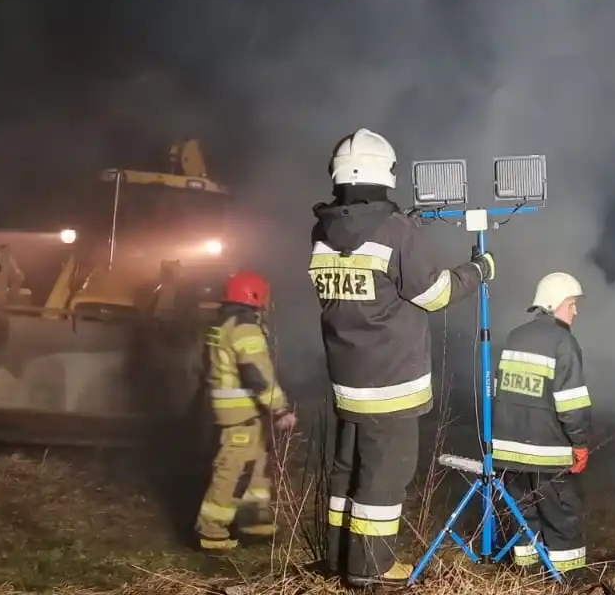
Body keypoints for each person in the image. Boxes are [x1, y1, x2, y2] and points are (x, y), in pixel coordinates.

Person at [311, 128, 496, 586]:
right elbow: (433, 293)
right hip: (390, 382)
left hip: (347, 377)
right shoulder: (397, 230)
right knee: (383, 477)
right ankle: (372, 568)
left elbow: (363, 275)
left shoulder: (324, 230)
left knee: (347, 472)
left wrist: (402, 227)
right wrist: (478, 271)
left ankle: (341, 557)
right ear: (386, 172)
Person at [492, 272, 594, 581]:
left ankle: (528, 578)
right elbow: (572, 405)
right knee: (562, 516)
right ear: (553, 304)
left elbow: (501, 393)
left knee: (523, 514)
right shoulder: (564, 343)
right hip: (547, 452)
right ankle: (569, 581)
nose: (575, 311)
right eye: (572, 304)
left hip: (508, 451)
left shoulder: (514, 336)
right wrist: (580, 444)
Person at [195, 270, 295, 551]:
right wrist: (279, 410)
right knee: (233, 468)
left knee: (255, 466)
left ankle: (255, 522)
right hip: (243, 412)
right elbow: (256, 373)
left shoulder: (223, 324)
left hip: (236, 411)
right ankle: (211, 531)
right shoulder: (245, 327)